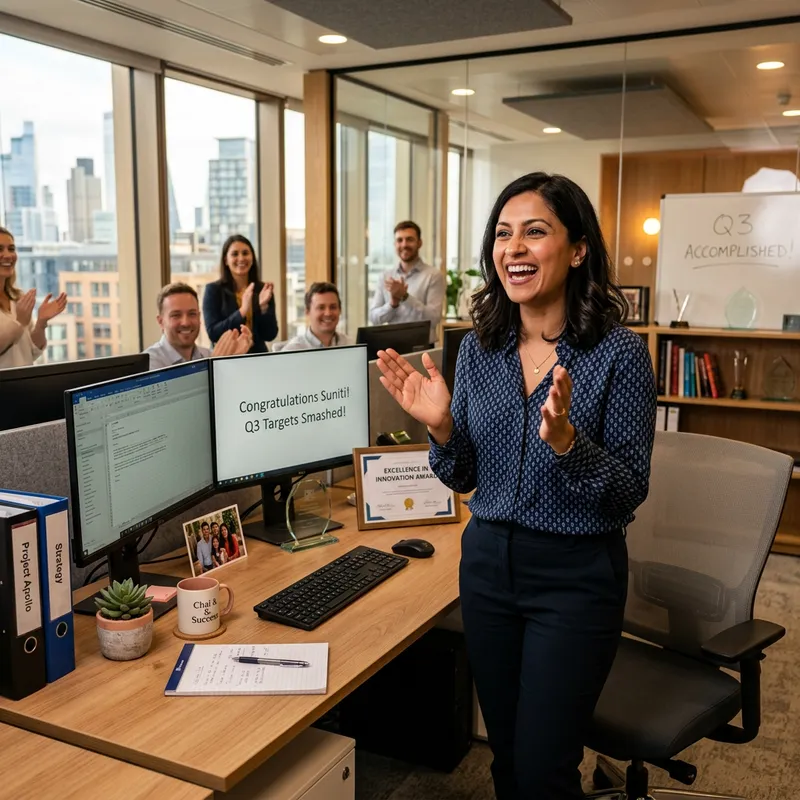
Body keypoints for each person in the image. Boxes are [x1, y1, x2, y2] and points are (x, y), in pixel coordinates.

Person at [376, 172, 656, 799]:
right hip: (487, 568)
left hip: (575, 576)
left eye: (536, 231)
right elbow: (464, 474)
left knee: (544, 771)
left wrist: (567, 446)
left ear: (577, 248)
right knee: (505, 759)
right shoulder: (480, 350)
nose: (515, 249)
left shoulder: (619, 355)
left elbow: (628, 490)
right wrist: (444, 428)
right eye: (503, 235)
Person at [368, 221, 445, 347]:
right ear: (394, 244)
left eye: (409, 239)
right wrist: (392, 304)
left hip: (422, 348)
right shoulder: (385, 277)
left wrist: (405, 297)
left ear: (419, 243)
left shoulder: (433, 275)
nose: (404, 244)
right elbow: (374, 318)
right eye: (399, 240)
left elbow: (434, 318)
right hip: (391, 347)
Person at [144, 282, 253, 370]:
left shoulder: (208, 355)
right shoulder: (148, 364)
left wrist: (236, 361)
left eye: (192, 314)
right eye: (176, 315)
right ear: (160, 321)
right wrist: (215, 368)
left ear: (199, 317)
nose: (186, 322)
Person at [0, 226, 67, 368]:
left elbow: (32, 352)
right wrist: (19, 323)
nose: (8, 255)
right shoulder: (21, 313)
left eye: (11, 249)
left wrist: (41, 322)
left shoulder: (17, 298)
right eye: (0, 249)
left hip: (25, 386)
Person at [202, 235, 278, 353]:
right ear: (226, 260)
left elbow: (270, 335)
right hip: (227, 359)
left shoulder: (263, 290)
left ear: (252, 258)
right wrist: (243, 310)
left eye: (245, 253)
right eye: (235, 254)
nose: (241, 258)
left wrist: (262, 308)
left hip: (258, 358)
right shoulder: (213, 290)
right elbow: (213, 333)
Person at [281, 282, 352, 351]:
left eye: (333, 307)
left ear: (340, 310)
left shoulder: (352, 345)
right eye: (321, 307)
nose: (328, 313)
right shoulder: (292, 352)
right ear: (307, 312)